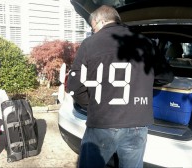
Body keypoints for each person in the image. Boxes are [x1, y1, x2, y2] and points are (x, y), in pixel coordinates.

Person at [67, 5, 174, 168]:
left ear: (99, 21)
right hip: (137, 123)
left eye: (93, 27)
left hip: (102, 122)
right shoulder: (146, 43)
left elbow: (75, 86)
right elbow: (166, 76)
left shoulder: (89, 44)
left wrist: (92, 105)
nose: (93, 30)